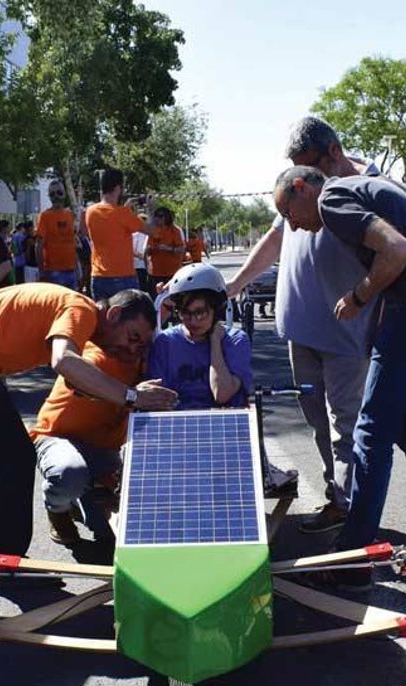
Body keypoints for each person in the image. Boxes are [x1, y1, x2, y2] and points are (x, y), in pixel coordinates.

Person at [272, 163, 406, 578]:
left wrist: (359, 295)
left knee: (370, 431)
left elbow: (398, 250)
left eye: (288, 213)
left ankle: (353, 555)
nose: (292, 227)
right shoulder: (373, 185)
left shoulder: (332, 199)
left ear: (301, 187)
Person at [0, 284, 177, 562]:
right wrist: (132, 396)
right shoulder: (81, 309)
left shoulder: (77, 314)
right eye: (132, 337)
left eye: (140, 345)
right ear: (113, 314)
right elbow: (63, 359)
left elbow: (77, 378)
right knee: (16, 457)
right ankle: (6, 560)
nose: (131, 348)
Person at [226, 116, 387, 535]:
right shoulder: (304, 191)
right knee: (319, 422)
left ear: (333, 152)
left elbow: (400, 252)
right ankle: (339, 499)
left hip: (346, 334)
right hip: (302, 332)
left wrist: (364, 300)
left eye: (308, 164)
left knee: (346, 426)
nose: (305, 175)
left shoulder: (370, 187)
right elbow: (275, 241)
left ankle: (355, 519)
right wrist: (234, 284)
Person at [29, 341, 140, 553]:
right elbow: (75, 377)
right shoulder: (96, 356)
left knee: (111, 532)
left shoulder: (147, 362)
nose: (136, 347)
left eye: (143, 342)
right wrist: (132, 395)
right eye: (133, 337)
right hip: (57, 437)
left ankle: (79, 502)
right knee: (70, 473)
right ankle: (58, 510)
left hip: (103, 450)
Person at [148, 263, 252, 409]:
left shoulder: (235, 340)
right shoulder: (165, 342)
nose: (193, 320)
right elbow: (157, 399)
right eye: (185, 312)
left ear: (216, 309)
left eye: (200, 312)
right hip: (177, 425)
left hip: (223, 424)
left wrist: (215, 342)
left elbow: (221, 394)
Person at [84, 168, 156, 301]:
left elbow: (110, 223)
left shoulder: (90, 212)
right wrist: (151, 210)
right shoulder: (123, 214)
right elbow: (151, 230)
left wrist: (125, 208)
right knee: (126, 320)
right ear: (118, 188)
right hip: (123, 276)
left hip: (98, 276)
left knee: (103, 319)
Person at [35, 180, 80, 289]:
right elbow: (38, 246)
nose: (56, 196)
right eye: (52, 194)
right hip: (53, 272)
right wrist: (41, 272)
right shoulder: (44, 216)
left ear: (64, 194)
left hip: (71, 270)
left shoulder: (69, 214)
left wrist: (77, 268)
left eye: (59, 193)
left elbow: (72, 241)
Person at [145, 206, 185, 291]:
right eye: (156, 216)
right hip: (155, 272)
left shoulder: (175, 231)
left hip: (171, 271)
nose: (157, 218)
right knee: (155, 297)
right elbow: (147, 250)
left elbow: (181, 249)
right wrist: (152, 249)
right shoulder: (152, 230)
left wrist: (168, 248)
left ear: (166, 217)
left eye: (160, 216)